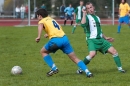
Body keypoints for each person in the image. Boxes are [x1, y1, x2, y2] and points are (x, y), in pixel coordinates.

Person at [35, 8, 93, 78]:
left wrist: (38, 36)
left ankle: (54, 68)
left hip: (56, 41)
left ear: (40, 16)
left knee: (43, 52)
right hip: (65, 39)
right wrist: (48, 34)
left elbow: (40, 25)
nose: (37, 18)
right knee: (75, 58)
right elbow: (58, 27)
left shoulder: (42, 21)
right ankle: (88, 72)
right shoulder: (51, 19)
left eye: (37, 16)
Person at [77, 2, 126, 74]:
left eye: (90, 7)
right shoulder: (87, 17)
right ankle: (80, 69)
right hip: (92, 40)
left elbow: (99, 30)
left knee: (114, 52)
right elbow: (83, 24)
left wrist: (105, 37)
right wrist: (84, 14)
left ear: (93, 7)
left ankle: (120, 69)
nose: (90, 9)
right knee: (92, 54)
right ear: (86, 10)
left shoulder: (97, 18)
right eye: (88, 8)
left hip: (101, 39)